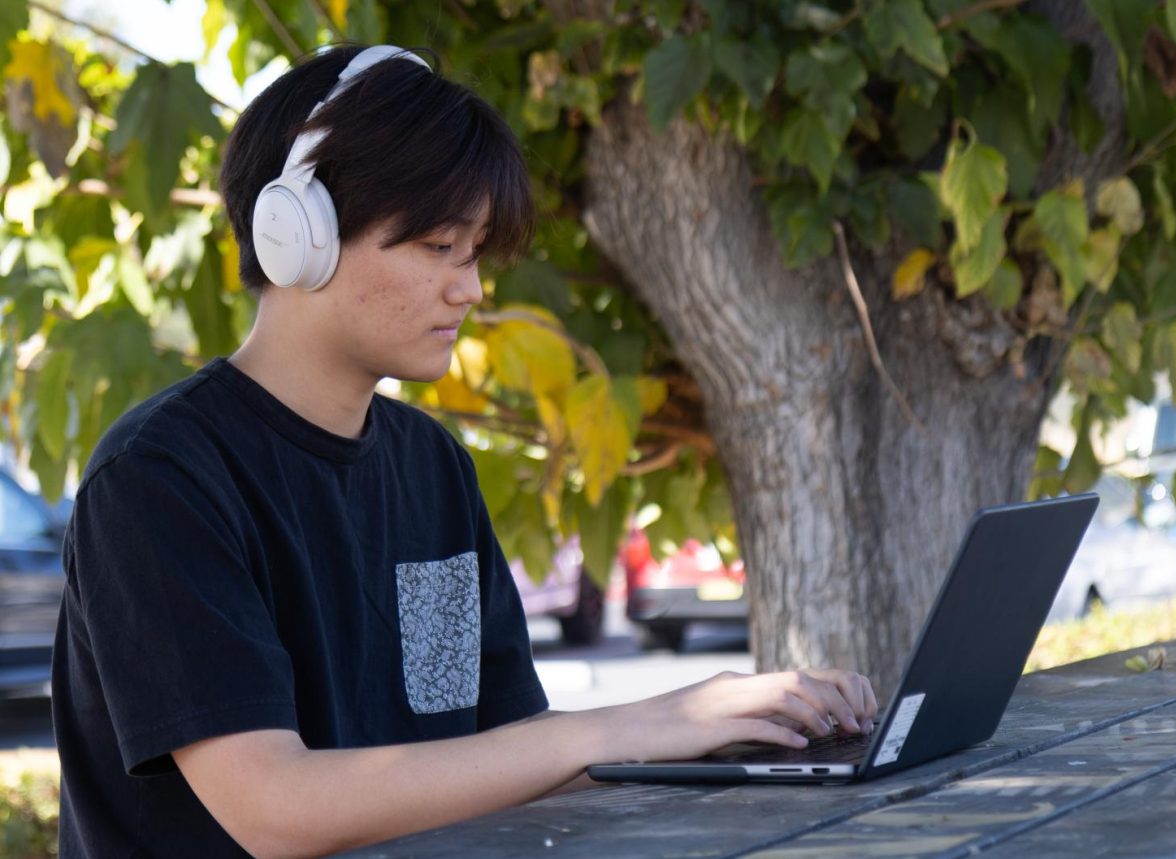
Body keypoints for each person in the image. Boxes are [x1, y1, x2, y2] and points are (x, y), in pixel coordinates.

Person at [51, 44, 878, 857]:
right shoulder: (161, 479)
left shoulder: (431, 466)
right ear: (296, 233)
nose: (471, 287)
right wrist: (639, 722)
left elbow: (502, 750)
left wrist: (726, 729)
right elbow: (277, 808)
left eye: (475, 253)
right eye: (439, 247)